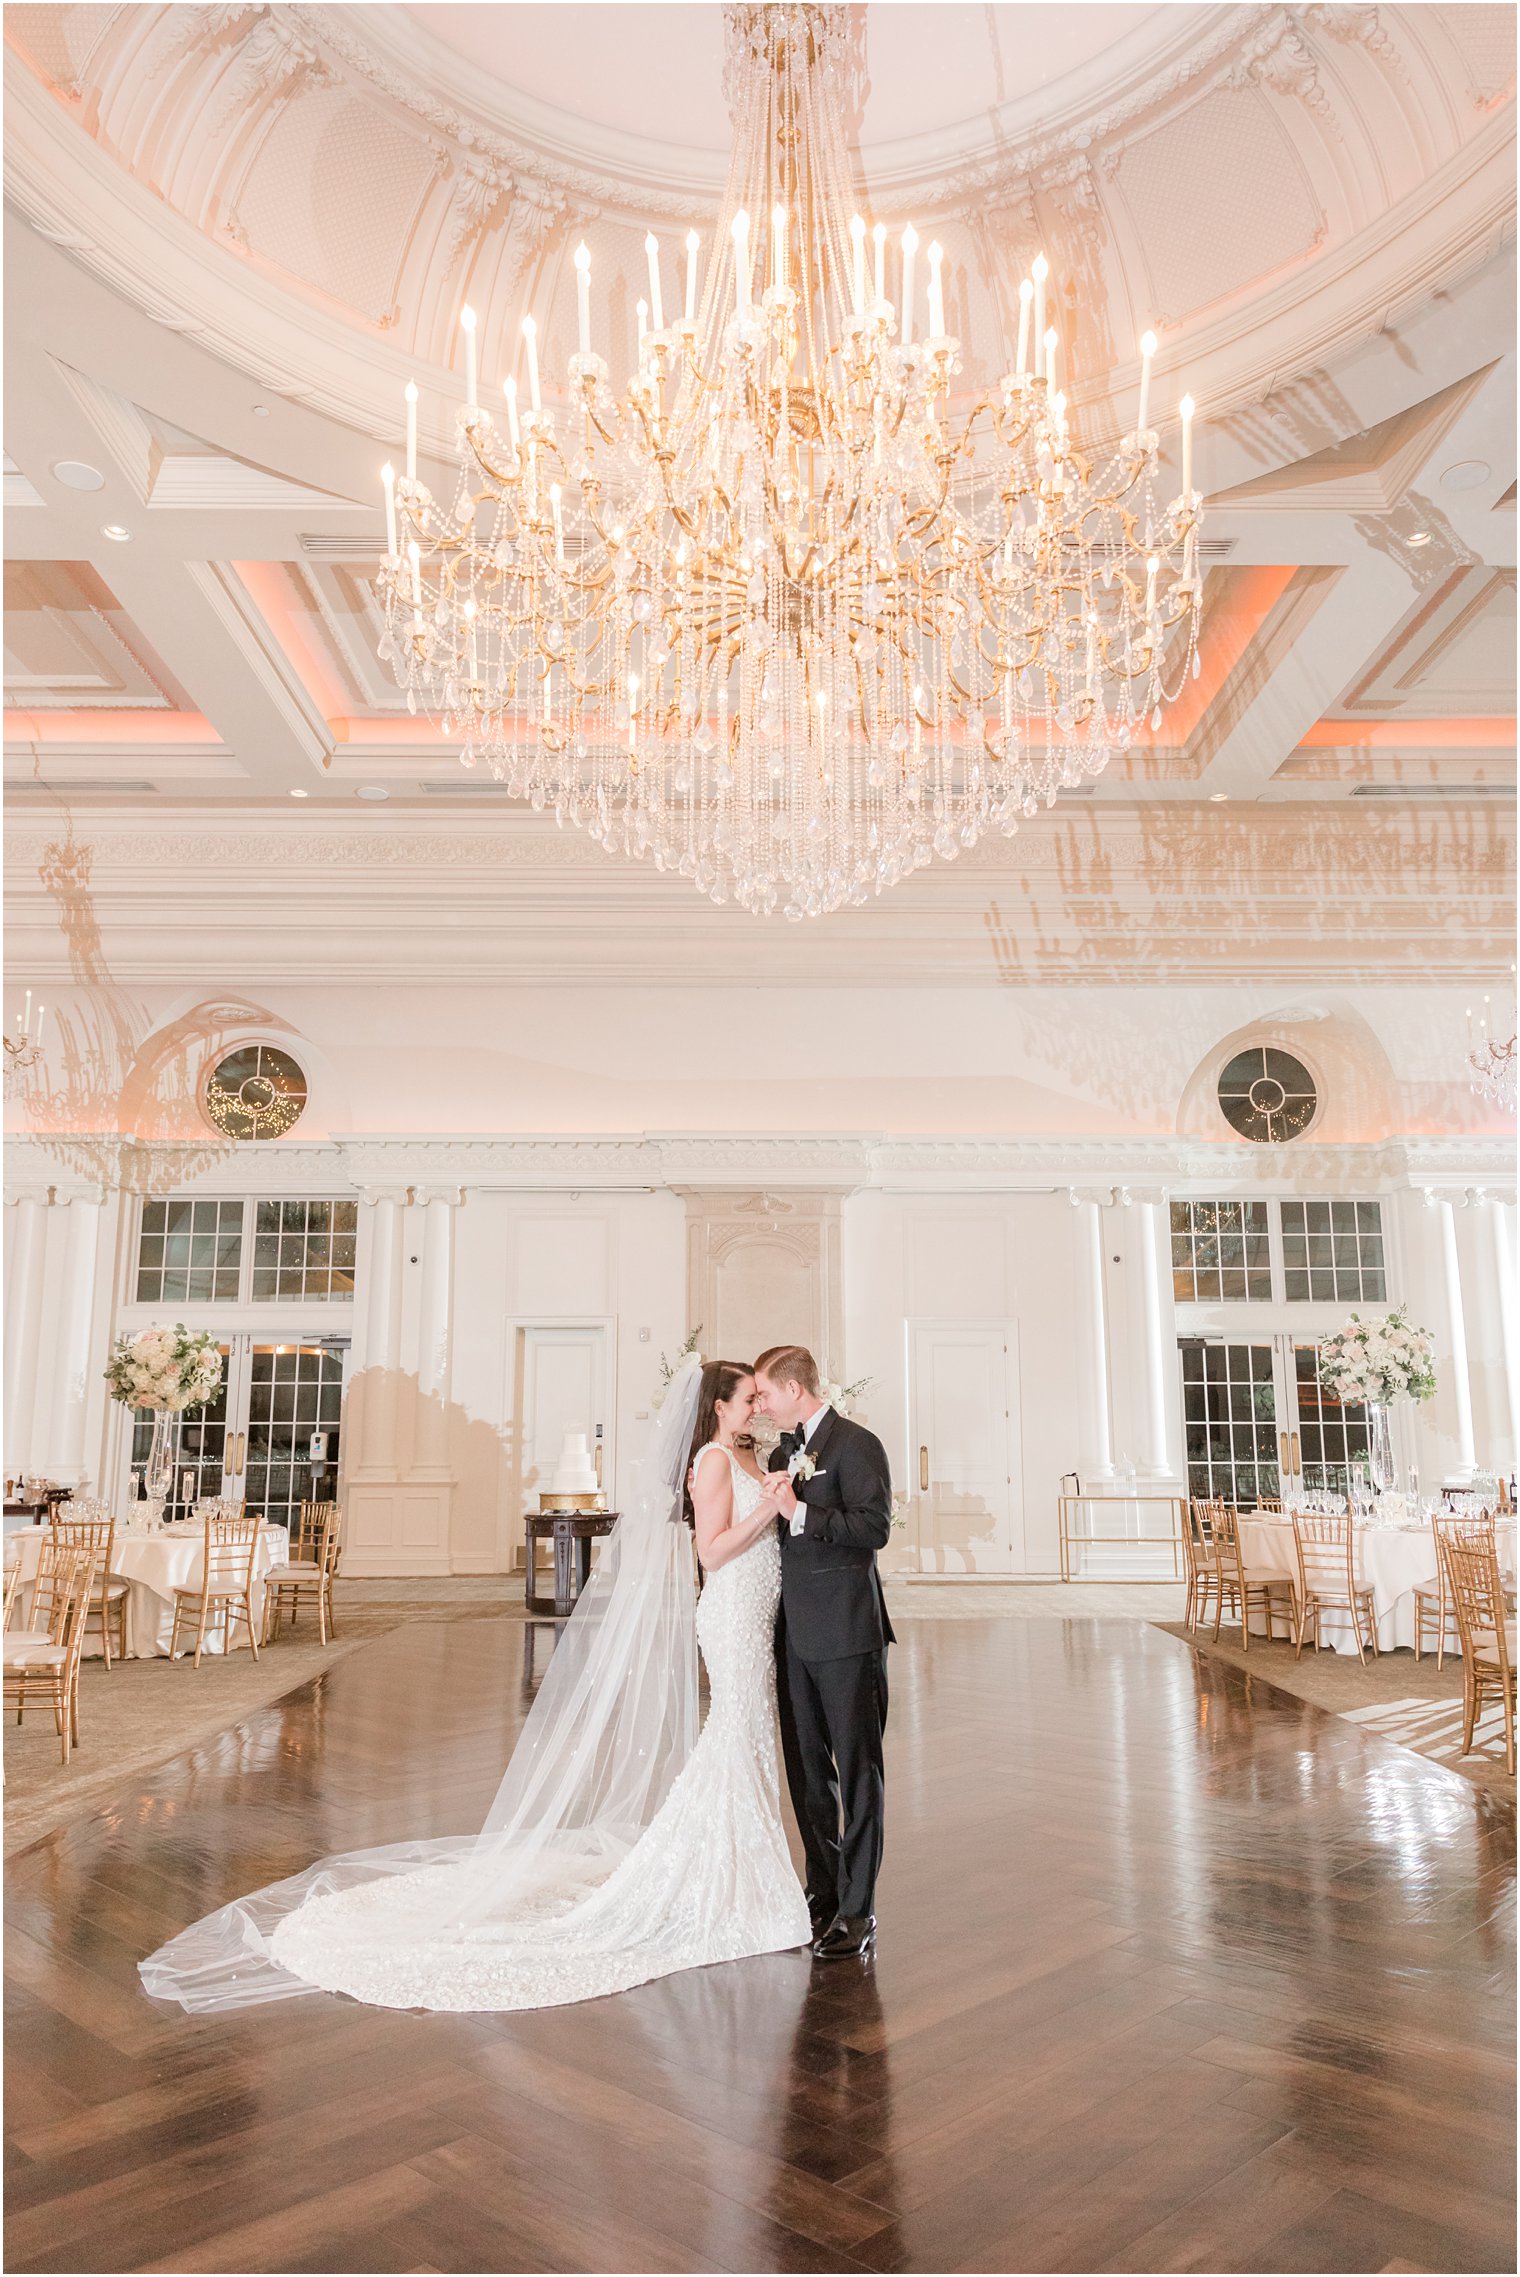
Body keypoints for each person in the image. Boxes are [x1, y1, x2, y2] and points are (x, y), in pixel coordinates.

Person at [138, 1356, 810, 2014]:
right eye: (748, 1396)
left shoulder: (751, 1454)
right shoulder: (714, 1461)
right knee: (735, 1729)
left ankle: (740, 1872)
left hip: (757, 1610)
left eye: (759, 1396)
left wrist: (781, 1495)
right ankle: (724, 1879)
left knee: (746, 1734)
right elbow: (712, 1551)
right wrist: (771, 1510)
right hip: (730, 1613)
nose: (757, 1406)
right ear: (718, 1407)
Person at [753, 1344, 895, 1960]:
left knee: (857, 1774)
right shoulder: (785, 1453)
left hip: (847, 1634)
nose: (759, 1404)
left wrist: (800, 1512)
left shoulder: (858, 1445)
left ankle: (859, 1911)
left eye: (763, 1394)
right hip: (796, 1638)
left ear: (792, 1388)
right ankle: (824, 1893)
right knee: (809, 1775)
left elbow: (874, 1529)